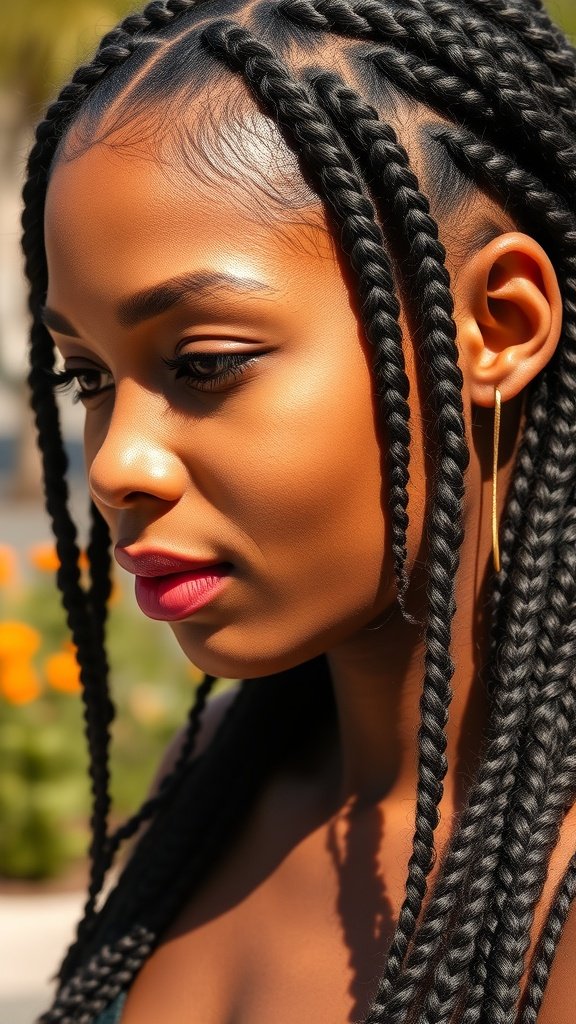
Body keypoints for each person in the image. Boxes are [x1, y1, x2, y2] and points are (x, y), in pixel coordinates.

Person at [21, 0, 576, 1020]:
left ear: (497, 325)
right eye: (87, 377)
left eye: (205, 364)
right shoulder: (218, 783)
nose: (116, 464)